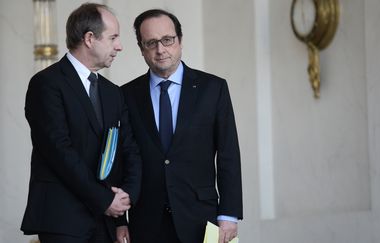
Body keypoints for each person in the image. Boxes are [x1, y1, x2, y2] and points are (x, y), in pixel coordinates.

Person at [20, 3, 141, 243]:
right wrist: (104, 200)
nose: (119, 46)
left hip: (107, 222)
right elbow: (58, 151)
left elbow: (128, 148)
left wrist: (125, 202)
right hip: (63, 219)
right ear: (89, 38)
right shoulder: (46, 84)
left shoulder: (113, 93)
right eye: (113, 37)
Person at [119, 9, 243, 243]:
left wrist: (229, 214)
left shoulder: (213, 89)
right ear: (141, 48)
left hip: (201, 219)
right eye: (151, 42)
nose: (160, 49)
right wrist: (119, 221)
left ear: (180, 41)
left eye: (167, 40)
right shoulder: (125, 95)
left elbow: (229, 155)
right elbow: (121, 161)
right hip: (146, 222)